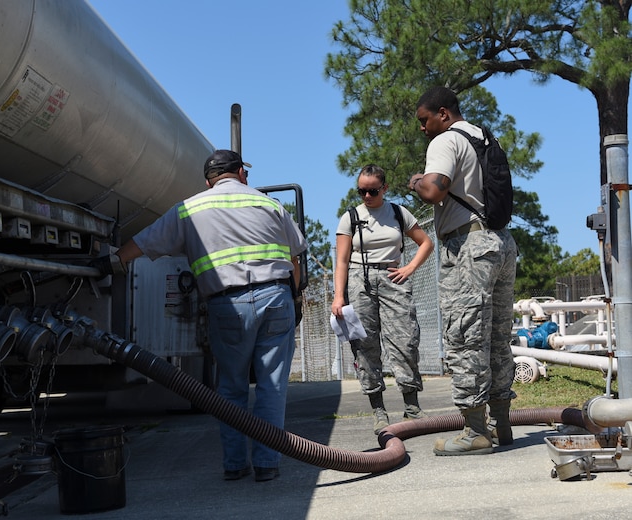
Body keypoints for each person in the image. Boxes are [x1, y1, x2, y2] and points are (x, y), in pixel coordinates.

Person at [115, 149, 307, 481]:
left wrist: (111, 261)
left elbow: (142, 245)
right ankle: (267, 465)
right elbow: (296, 257)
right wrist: (296, 297)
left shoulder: (189, 208)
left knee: (231, 389)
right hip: (276, 299)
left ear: (208, 181)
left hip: (227, 304)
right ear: (242, 174)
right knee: (271, 387)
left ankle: (235, 466)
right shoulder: (270, 205)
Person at [409, 86, 518, 456]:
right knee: (498, 337)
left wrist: (416, 182)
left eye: (424, 120)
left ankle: (475, 432)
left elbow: (434, 191)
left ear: (442, 113)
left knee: (465, 335)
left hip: (468, 247)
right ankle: (503, 425)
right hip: (500, 242)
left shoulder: (445, 141)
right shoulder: (483, 136)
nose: (422, 128)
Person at [332, 165, 434, 435]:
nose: (366, 196)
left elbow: (426, 242)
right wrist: (339, 296)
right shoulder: (350, 218)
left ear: (384, 188)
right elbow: (341, 260)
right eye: (361, 191)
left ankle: (411, 405)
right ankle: (378, 409)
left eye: (372, 191)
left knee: (405, 339)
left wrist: (409, 268)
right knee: (364, 345)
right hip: (358, 280)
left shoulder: (398, 213)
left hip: (393, 278)